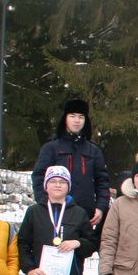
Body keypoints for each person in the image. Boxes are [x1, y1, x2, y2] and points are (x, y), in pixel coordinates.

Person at [17, 165, 97, 275]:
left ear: (68, 186)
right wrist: (30, 268)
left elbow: (92, 244)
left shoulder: (79, 213)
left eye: (62, 182)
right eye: (53, 181)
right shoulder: (34, 212)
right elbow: (23, 244)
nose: (58, 185)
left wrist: (77, 243)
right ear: (46, 185)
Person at [31, 98, 110, 231]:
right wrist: (44, 202)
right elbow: (38, 176)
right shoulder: (51, 148)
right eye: (72, 116)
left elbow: (102, 181)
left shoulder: (93, 151)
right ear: (65, 119)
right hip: (55, 213)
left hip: (84, 214)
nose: (77, 120)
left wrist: (101, 207)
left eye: (81, 117)